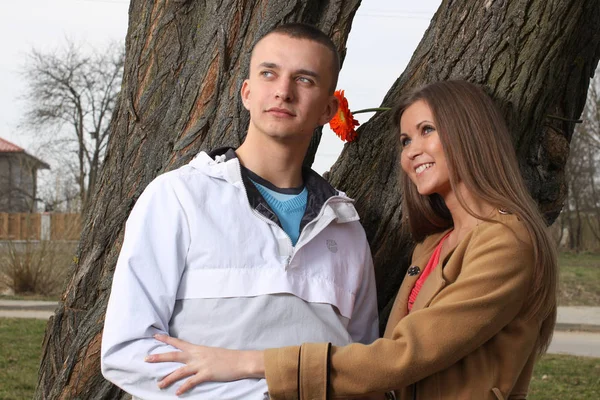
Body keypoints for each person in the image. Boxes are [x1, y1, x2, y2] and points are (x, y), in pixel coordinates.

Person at [147, 80, 558, 400]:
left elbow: (402, 357)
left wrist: (248, 363)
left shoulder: (507, 241)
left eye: (426, 130)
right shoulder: (433, 245)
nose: (411, 151)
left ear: (471, 135)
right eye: (405, 141)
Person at [101, 23, 379, 399]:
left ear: (328, 111)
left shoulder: (345, 227)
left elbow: (360, 365)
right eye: (269, 74)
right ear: (247, 93)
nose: (283, 91)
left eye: (305, 79)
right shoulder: (178, 197)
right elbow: (128, 351)